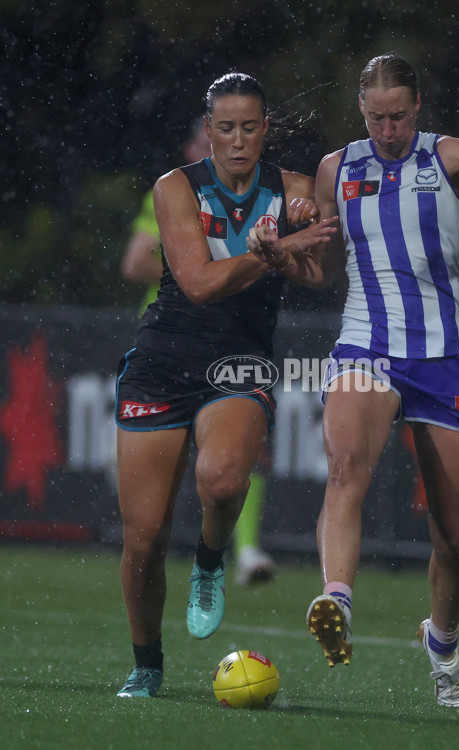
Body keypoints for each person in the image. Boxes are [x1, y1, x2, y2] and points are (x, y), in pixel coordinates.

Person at [247, 53, 459, 709]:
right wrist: (282, 257)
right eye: (375, 117)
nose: (386, 130)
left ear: (417, 109)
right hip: (367, 344)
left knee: (455, 537)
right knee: (345, 468)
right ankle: (336, 601)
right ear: (362, 113)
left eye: (397, 117)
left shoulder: (448, 157)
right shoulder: (338, 168)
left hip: (448, 356)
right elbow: (325, 271)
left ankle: (442, 645)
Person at [114, 72, 337, 698]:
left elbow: (321, 273)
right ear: (208, 131)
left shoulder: (293, 190)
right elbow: (200, 283)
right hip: (163, 354)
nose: (238, 141)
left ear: (266, 129)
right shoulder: (174, 189)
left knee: (223, 479)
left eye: (250, 128)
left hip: (241, 355)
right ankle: (147, 662)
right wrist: (271, 252)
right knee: (144, 536)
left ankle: (210, 562)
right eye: (226, 128)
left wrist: (296, 244)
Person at [120, 122, 277, 587]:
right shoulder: (171, 192)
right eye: (208, 139)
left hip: (232, 339)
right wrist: (192, 269)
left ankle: (237, 552)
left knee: (238, 463)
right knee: (158, 498)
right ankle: (183, 558)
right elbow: (134, 262)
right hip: (169, 343)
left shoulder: (257, 197)